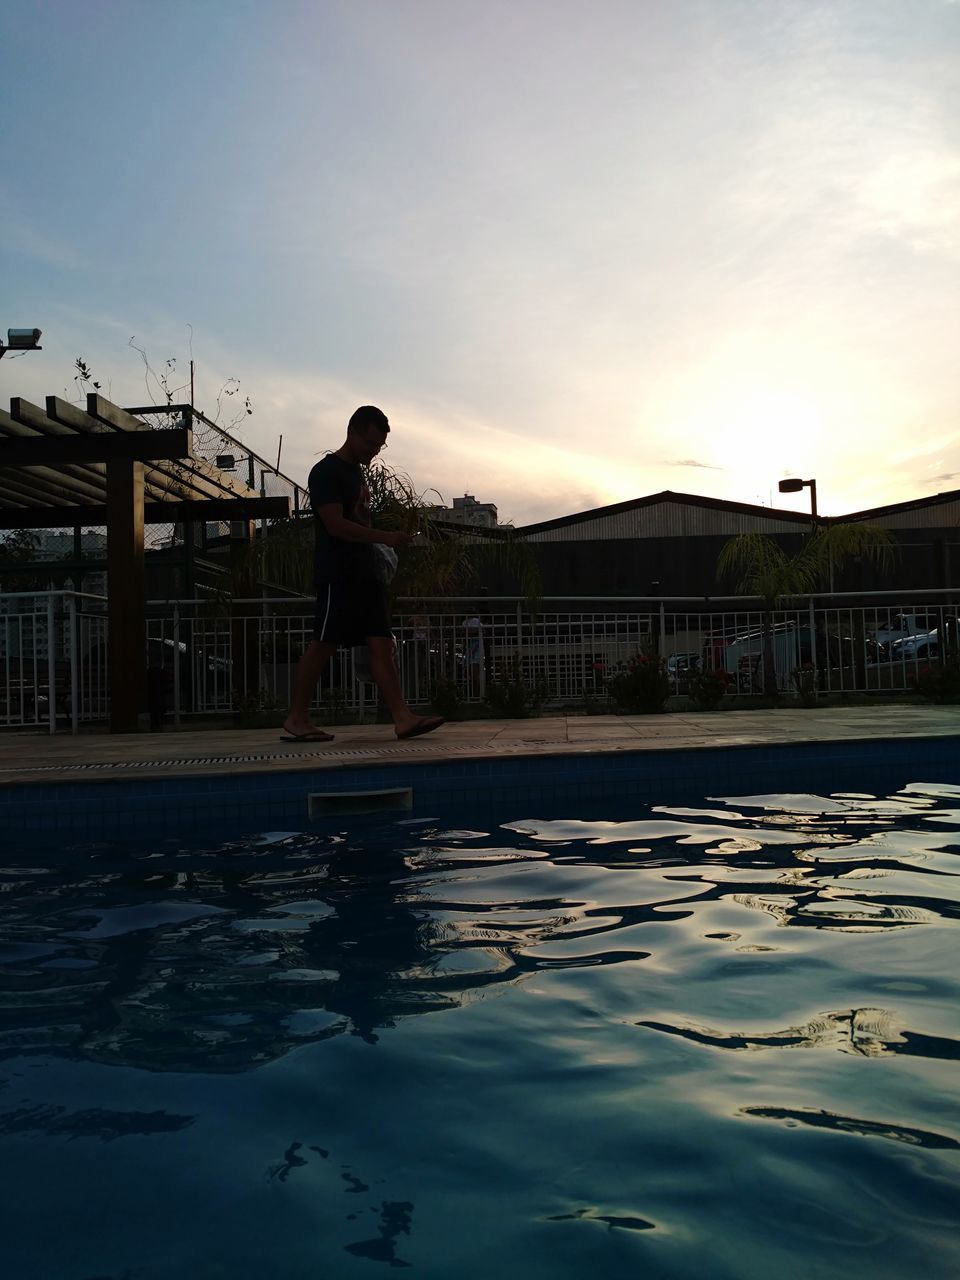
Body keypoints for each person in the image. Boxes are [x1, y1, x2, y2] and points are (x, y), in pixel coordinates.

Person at [281, 406, 445, 743]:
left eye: (379, 446)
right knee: (323, 645)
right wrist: (385, 538)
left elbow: (355, 523)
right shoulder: (327, 472)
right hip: (339, 575)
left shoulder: (356, 475)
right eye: (371, 443)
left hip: (365, 575)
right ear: (352, 432)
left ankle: (402, 718)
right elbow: (335, 525)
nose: (374, 451)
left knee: (381, 644)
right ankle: (297, 718)